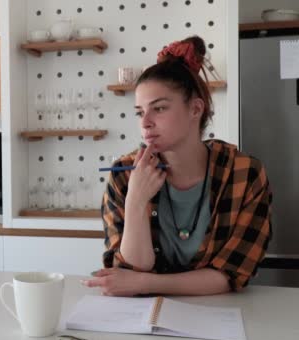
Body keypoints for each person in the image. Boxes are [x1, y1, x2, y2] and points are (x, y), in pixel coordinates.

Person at [83, 36, 272, 296]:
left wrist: (146, 283)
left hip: (219, 316)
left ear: (195, 109)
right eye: (140, 112)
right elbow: (130, 269)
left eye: (159, 108)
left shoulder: (245, 174)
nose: (145, 123)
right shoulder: (125, 175)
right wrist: (136, 201)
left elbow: (230, 275)